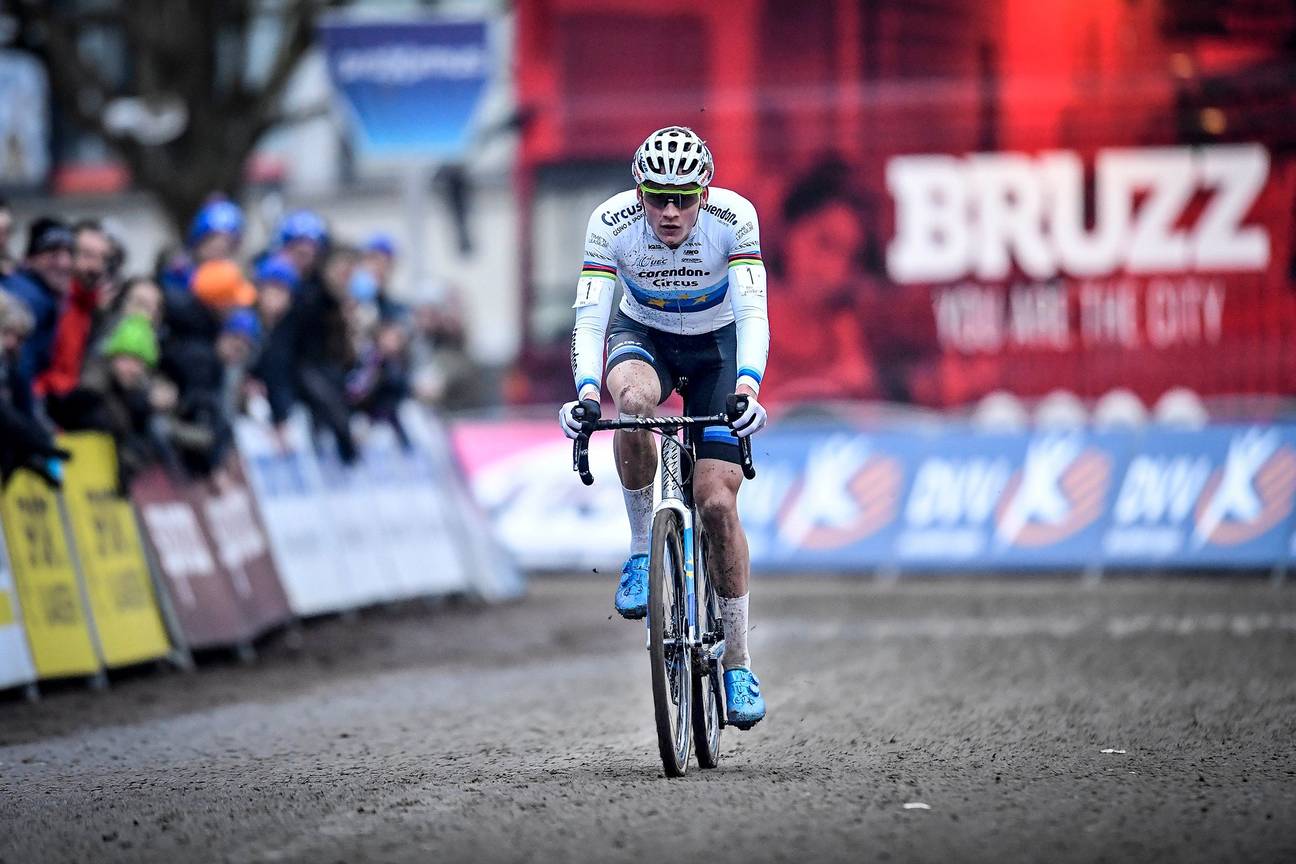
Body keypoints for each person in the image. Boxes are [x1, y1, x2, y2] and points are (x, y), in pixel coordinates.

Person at [558, 126, 770, 729]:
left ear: (705, 194)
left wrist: (748, 386)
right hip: (642, 335)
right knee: (633, 404)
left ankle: (737, 661)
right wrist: (585, 392)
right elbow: (590, 315)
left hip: (717, 349)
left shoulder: (735, 218)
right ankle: (639, 551)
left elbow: (754, 311)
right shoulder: (611, 222)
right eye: (658, 196)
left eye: (684, 197)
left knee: (716, 503)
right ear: (639, 191)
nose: (671, 211)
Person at [2, 217, 74, 395]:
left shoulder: (47, 297)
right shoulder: (32, 299)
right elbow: (21, 372)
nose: (64, 263)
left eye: (69, 254)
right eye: (53, 254)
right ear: (30, 259)